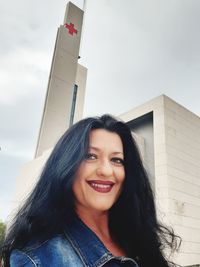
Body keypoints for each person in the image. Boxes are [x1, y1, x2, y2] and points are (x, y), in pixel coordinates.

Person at [1, 114, 180, 267]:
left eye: (117, 160)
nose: (106, 170)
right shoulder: (37, 259)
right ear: (65, 166)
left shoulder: (140, 241)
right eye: (90, 156)